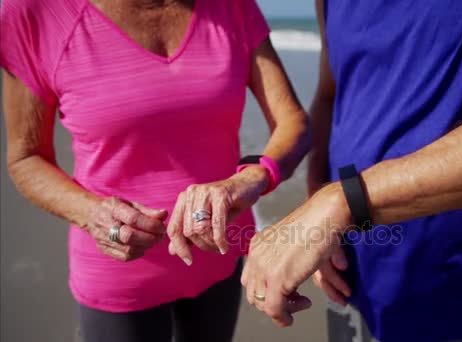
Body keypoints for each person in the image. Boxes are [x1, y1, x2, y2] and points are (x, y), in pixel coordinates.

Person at [241, 0, 462, 341]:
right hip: (350, 275)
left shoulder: (339, 207)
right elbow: (331, 94)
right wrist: (318, 210)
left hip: (458, 286)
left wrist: (338, 205)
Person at [0, 0, 310, 341]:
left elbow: (293, 121)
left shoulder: (231, 6)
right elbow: (26, 157)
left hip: (222, 257)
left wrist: (253, 176)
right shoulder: (34, 12)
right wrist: (93, 214)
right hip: (119, 273)